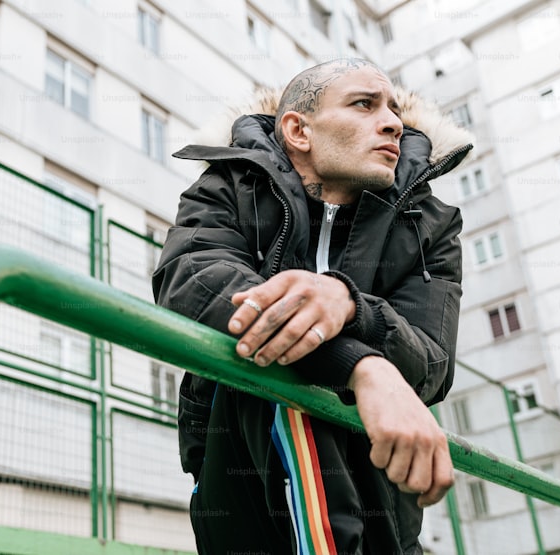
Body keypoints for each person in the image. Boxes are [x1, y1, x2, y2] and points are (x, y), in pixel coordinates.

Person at [152, 58, 473, 554]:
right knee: (278, 375)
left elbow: (431, 361)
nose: (392, 122)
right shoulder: (230, 185)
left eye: (393, 109)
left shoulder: (429, 221)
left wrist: (349, 305)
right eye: (364, 104)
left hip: (383, 488)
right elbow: (192, 282)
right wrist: (362, 365)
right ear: (298, 130)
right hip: (241, 474)